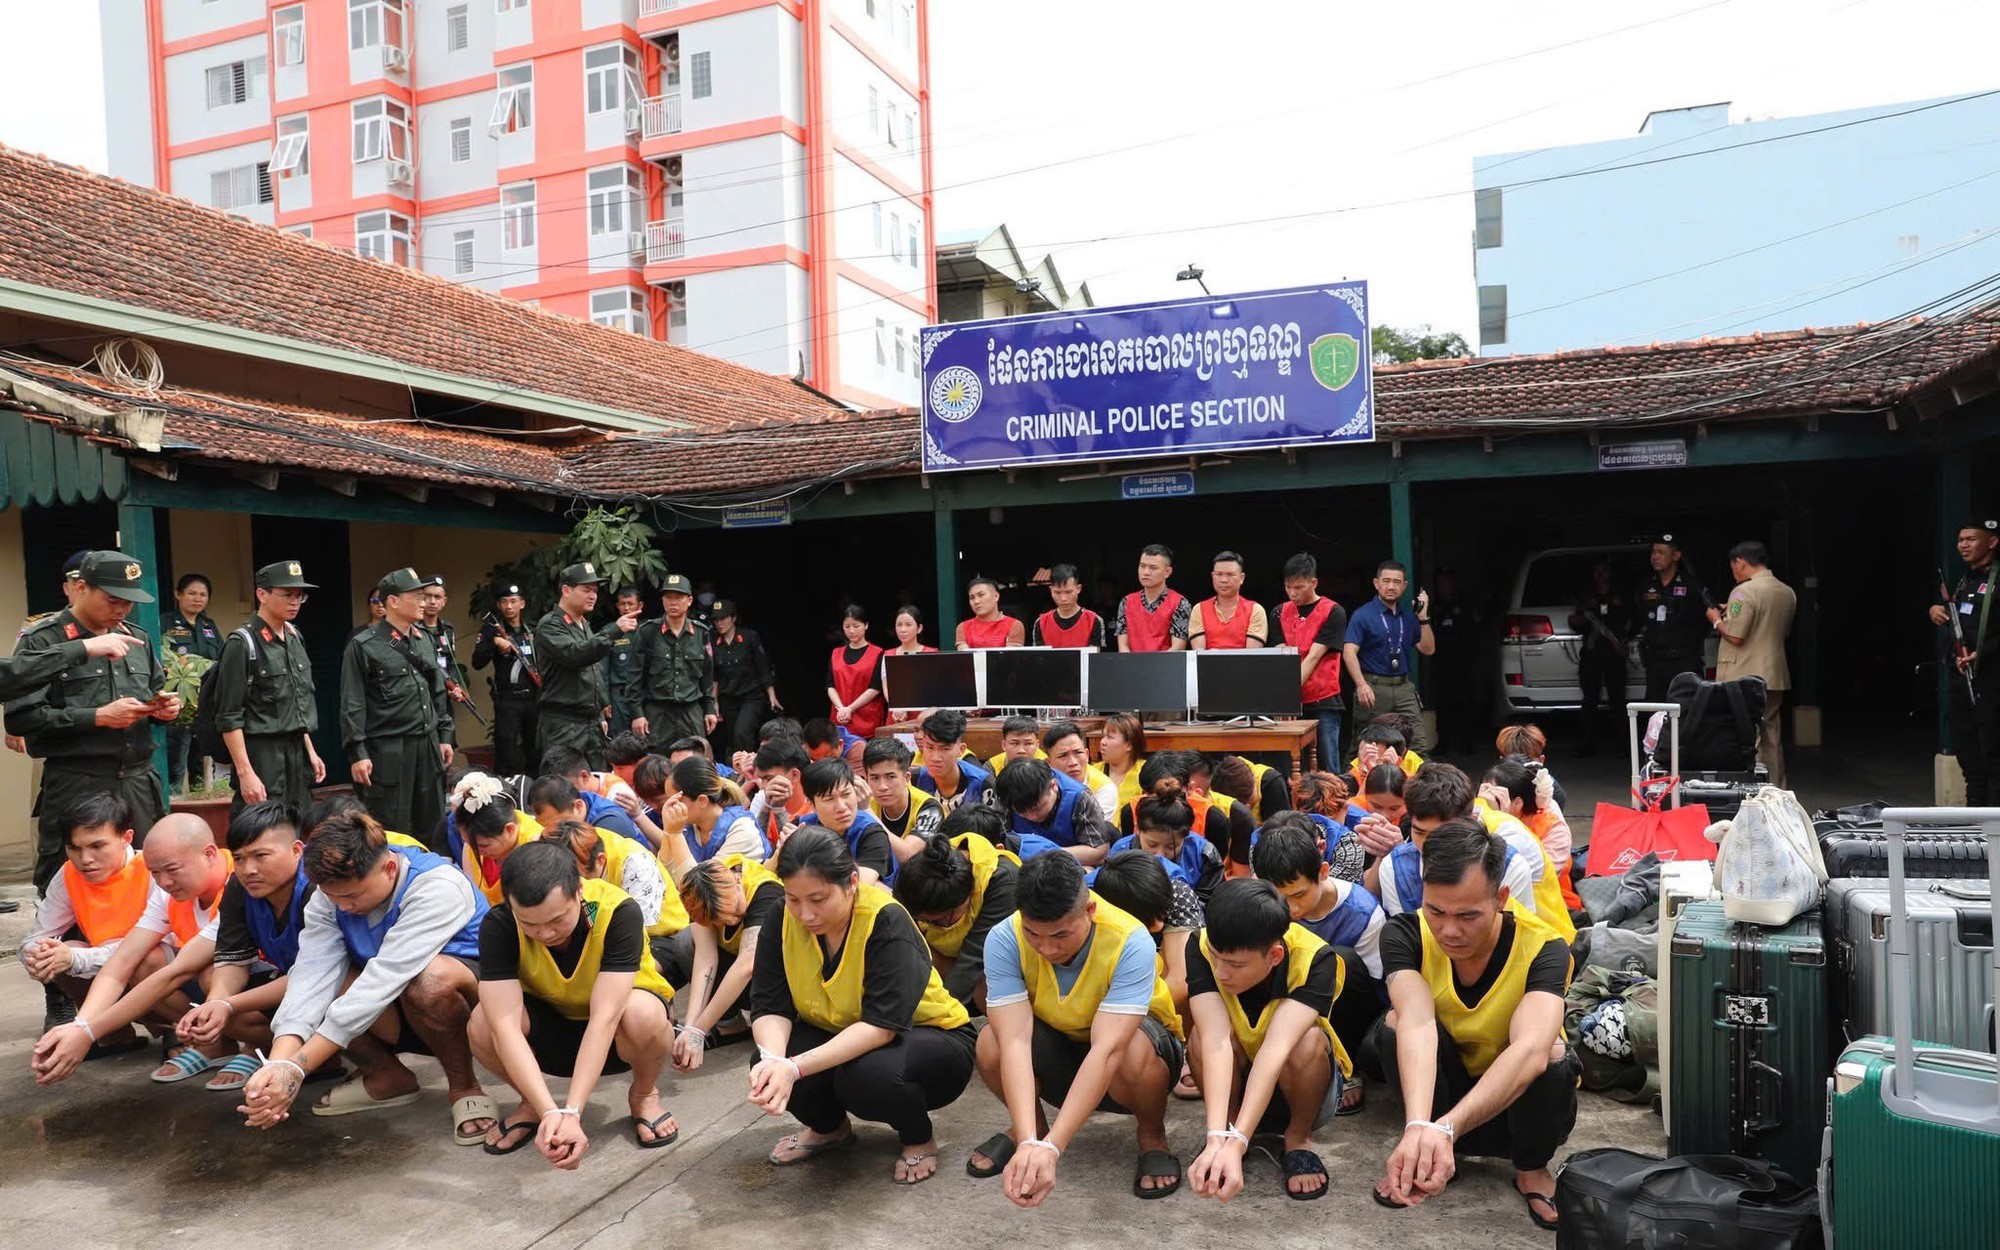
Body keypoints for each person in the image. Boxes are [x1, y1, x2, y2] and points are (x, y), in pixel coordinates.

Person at [236, 809, 499, 1145]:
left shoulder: (438, 886)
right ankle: (387, 1077)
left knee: (430, 981)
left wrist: (298, 1068)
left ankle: (464, 1087)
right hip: (392, 1003)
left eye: (351, 896)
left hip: (469, 1005)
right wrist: (279, 1064)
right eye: (333, 897)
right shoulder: (328, 897)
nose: (342, 907)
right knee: (331, 979)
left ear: (388, 868)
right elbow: (312, 974)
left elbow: (384, 979)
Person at [1370, 821, 1575, 1230]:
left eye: (1467, 915)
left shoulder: (1545, 948)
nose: (1449, 930)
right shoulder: (1404, 933)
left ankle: (1531, 1168)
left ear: (1501, 898)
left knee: (1551, 1052)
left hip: (1517, 1103)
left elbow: (1531, 1049)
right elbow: (1416, 1022)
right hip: (1441, 1094)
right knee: (1393, 1024)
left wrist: (1448, 1127)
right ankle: (1428, 1152)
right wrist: (1418, 1126)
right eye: (1436, 911)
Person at [747, 828, 977, 1184]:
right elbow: (768, 1004)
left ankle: (918, 1136)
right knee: (765, 1060)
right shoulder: (781, 918)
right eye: (794, 899)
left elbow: (881, 1025)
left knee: (869, 1076)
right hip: (841, 1028)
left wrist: (794, 1068)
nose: (805, 914)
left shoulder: (885, 920)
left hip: (929, 1037)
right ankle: (829, 1128)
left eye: (818, 899)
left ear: (852, 881)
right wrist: (777, 1062)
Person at [967, 850, 1186, 1203]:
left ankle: (1151, 1136)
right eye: (1033, 934)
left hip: (1133, 1053)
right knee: (991, 1041)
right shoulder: (1004, 937)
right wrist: (1031, 1145)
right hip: (1061, 1043)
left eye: (1060, 935)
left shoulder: (1131, 940)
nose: (1047, 948)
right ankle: (1031, 1128)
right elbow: (1015, 1042)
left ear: (1089, 911)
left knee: (1129, 1050)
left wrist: (1053, 1150)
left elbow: (1107, 1050)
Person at [469, 841, 679, 1160]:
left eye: (556, 920)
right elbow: (505, 1027)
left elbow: (605, 1017)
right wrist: (552, 1113)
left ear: (578, 890)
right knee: (483, 1022)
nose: (545, 933)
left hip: (617, 1036)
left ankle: (644, 1093)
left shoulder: (618, 912)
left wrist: (573, 1110)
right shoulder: (499, 925)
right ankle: (532, 1103)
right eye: (530, 924)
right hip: (550, 1030)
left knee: (642, 1013)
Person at [6, 551, 179, 895]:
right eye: (113, 600)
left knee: (150, 881)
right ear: (81, 588)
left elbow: (153, 692)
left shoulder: (138, 639)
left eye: (129, 603)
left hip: (138, 782)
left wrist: (163, 710)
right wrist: (97, 717)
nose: (122, 610)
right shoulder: (45, 640)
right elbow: (22, 717)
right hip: (78, 781)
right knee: (70, 886)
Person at [28, 813, 239, 1088]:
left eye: (172, 870)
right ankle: (215, 1044)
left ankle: (261, 1049)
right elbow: (122, 962)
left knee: (216, 973)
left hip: (269, 988)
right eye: (155, 873)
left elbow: (177, 972)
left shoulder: (238, 887)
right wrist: (80, 1026)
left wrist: (88, 1033)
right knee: (143, 961)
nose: (163, 882)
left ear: (209, 854)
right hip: (208, 986)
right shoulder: (167, 893)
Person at [1183, 878, 1354, 1201]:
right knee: (1199, 1036)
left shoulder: (1315, 959)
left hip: (1301, 1085)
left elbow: (1275, 1050)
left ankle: (1298, 1139)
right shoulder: (1200, 944)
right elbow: (1216, 1040)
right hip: (1236, 1079)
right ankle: (1228, 1127)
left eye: (1235, 964)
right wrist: (1219, 1136)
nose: (1221, 972)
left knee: (1307, 1040)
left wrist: (1240, 1141)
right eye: (1216, 957)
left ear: (1275, 955)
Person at [178, 802, 323, 1093]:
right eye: (240, 858)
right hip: (290, 985)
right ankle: (285, 1056)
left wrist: (226, 1004)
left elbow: (316, 976)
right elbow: (232, 961)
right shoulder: (239, 888)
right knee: (212, 982)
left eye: (261, 856)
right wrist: (213, 1007)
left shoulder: (317, 888)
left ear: (297, 850)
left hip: (331, 985)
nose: (248, 869)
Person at [1370, 764, 1571, 943]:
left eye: (1467, 915)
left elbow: (1519, 943)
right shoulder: (1395, 868)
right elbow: (1408, 944)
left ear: (1472, 819)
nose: (1431, 845)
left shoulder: (1509, 864)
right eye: (1419, 832)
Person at [1251, 813, 1386, 1077]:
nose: (1290, 908)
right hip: (1285, 1001)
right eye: (1279, 897)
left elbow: (1373, 992)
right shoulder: (1261, 903)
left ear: (1323, 872)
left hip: (1344, 1012)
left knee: (1340, 960)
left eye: (1299, 895)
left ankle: (1344, 1066)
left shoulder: (1362, 912)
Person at [339, 567, 455, 846]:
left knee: (432, 820)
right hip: (389, 748)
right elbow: (352, 702)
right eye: (416, 596)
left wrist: (444, 736)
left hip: (427, 744)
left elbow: (437, 691)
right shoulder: (364, 645)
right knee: (392, 825)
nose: (424, 602)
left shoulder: (424, 639)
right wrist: (358, 752)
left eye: (425, 596)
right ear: (392, 601)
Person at [213, 561, 324, 818]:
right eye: (287, 595)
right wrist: (245, 773)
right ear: (262, 594)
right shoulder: (243, 643)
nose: (295, 602)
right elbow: (229, 716)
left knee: (298, 828)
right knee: (262, 831)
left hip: (296, 753)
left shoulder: (295, 636)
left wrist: (311, 751)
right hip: (262, 755)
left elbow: (297, 701)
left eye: (299, 596)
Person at [893, 815, 1021, 1010]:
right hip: (948, 960)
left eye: (944, 920)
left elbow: (975, 957)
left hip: (992, 966)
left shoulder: (1001, 880)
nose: (942, 926)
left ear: (969, 894)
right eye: (930, 922)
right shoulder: (924, 870)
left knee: (983, 986)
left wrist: (939, 1012)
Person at [672, 849, 785, 1051]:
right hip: (742, 971)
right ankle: (730, 1025)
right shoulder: (701, 893)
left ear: (738, 881)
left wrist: (701, 1028)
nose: (732, 920)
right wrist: (691, 1027)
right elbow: (705, 960)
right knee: (686, 943)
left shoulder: (765, 891)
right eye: (720, 920)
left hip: (777, 978)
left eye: (734, 910)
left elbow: (747, 965)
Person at [535, 562, 640, 771]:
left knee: (597, 781)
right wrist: (614, 630)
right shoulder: (550, 624)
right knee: (563, 787)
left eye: (595, 590)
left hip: (591, 722)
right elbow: (576, 654)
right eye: (586, 590)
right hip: (563, 723)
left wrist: (600, 714)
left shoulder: (584, 624)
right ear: (566, 590)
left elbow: (595, 671)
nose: (593, 595)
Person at [1715, 540, 1798, 787]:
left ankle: (1747, 791)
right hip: (1774, 674)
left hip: (1745, 675)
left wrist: (1716, 620)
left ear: (1740, 562)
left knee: (1745, 738)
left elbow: (1736, 635)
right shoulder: (1786, 591)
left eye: (1733, 566)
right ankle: (1776, 789)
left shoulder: (1743, 592)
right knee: (1771, 736)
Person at [1936, 518, 2000, 802]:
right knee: (1968, 750)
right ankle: (1973, 818)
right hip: (1961, 677)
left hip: (1990, 679)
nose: (1963, 545)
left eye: (1971, 539)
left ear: (1992, 542)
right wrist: (1936, 611)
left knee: (1992, 750)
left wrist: (1984, 653)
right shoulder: (1965, 580)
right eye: (1961, 540)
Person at [1344, 560, 1435, 754]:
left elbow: (1428, 649)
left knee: (1417, 745)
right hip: (1373, 687)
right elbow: (1349, 651)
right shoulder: (1363, 615)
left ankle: (1419, 784)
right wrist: (1361, 684)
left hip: (1404, 688)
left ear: (1404, 586)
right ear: (1376, 583)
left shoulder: (1409, 617)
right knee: (1364, 745)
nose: (1391, 586)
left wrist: (1423, 617)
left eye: (1396, 582)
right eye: (1386, 581)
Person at [1278, 553, 1351, 772]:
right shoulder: (1278, 612)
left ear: (1314, 583)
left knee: (1328, 764)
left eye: (1299, 587)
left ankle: (1334, 804)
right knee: (1292, 767)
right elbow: (1280, 656)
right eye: (1288, 587)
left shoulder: (1334, 612)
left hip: (1323, 698)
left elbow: (1314, 656)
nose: (1293, 593)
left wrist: (1287, 695)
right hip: (1289, 703)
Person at [631, 574, 718, 753]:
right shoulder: (647, 632)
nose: (673, 602)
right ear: (662, 601)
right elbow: (634, 677)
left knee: (694, 762)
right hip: (657, 712)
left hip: (691, 711)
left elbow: (707, 677)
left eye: (678, 597)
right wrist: (637, 713)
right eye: (668, 597)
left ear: (689, 600)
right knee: (655, 766)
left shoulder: (701, 633)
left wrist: (709, 708)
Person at [1481, 757, 1578, 915]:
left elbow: (1527, 877)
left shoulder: (1553, 829)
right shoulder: (1482, 818)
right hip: (1495, 900)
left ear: (1518, 802)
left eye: (1496, 797)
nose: (1488, 802)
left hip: (1547, 907)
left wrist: (1500, 820)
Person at [1109, 779, 1225, 900]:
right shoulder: (1121, 851)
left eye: (1171, 846)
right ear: (1138, 830)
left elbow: (1212, 900)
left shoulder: (1203, 854)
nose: (1160, 854)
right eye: (1152, 844)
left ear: (1186, 836)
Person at [162, 572, 223, 789]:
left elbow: (220, 661)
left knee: (203, 760)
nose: (197, 599)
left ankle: (201, 800)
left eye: (203, 595)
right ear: (178, 594)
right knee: (175, 763)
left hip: (205, 704)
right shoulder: (165, 623)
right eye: (191, 593)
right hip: (179, 705)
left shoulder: (209, 625)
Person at [472, 582, 540, 777]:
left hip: (534, 697)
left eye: (513, 601)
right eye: (504, 602)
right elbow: (477, 662)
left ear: (522, 604)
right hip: (508, 700)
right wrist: (493, 643)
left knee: (535, 750)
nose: (509, 606)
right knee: (506, 751)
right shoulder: (491, 630)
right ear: (499, 605)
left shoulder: (532, 629)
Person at [993, 758, 1114, 867]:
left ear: (1054, 786)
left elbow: (1100, 852)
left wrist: (1042, 853)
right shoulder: (1006, 797)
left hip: (1072, 867)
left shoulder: (1080, 797)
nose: (1031, 817)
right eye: (1021, 813)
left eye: (1037, 809)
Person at [1635, 534, 1714, 701]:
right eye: (1653, 552)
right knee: (1656, 711)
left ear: (1676, 556)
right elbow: (1639, 617)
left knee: (1687, 709)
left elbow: (1707, 616)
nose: (1655, 557)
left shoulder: (1691, 584)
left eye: (1661, 552)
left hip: (1685, 659)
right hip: (1656, 661)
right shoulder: (1646, 585)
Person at [797, 758, 898, 885]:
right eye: (829, 799)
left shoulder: (872, 833)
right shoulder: (802, 826)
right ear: (812, 805)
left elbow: (859, 886)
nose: (842, 807)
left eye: (846, 794)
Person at [1568, 559, 1629, 756]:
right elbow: (1576, 621)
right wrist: (1584, 615)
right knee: (1589, 701)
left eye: (1604, 571)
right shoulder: (1587, 596)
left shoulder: (1621, 594)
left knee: (1618, 701)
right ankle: (1586, 745)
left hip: (1614, 653)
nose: (1601, 575)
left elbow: (1633, 619)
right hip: (1592, 653)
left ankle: (1623, 746)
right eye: (1597, 571)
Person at [660, 754, 764, 863]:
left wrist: (675, 835)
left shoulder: (742, 830)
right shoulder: (688, 826)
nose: (669, 806)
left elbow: (699, 879)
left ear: (702, 801)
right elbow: (663, 872)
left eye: (676, 800)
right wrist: (668, 832)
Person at [711, 600, 779, 759]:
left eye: (723, 618)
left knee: (742, 732)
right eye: (716, 619)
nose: (719, 623)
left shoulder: (749, 637)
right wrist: (714, 703)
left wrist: (772, 696)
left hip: (751, 696)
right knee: (732, 737)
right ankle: (737, 773)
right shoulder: (713, 642)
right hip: (728, 698)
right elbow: (714, 675)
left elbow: (763, 667)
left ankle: (749, 768)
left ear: (733, 618)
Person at [540, 745, 645, 842]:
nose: (562, 795)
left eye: (566, 788)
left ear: (584, 776)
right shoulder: (591, 779)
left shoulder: (618, 796)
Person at [861, 737, 940, 859]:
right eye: (875, 778)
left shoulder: (930, 808)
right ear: (866, 779)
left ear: (906, 778)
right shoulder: (866, 803)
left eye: (891, 777)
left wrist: (867, 812)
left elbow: (908, 855)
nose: (882, 787)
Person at [910, 709, 993, 814]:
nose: (935, 758)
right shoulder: (914, 780)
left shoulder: (983, 783)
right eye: (930, 747)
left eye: (944, 749)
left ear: (961, 750)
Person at [825, 604, 888, 741]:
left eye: (856, 626)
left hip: (867, 722)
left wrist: (850, 709)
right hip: (840, 720)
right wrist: (841, 708)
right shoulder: (836, 653)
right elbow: (830, 685)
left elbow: (875, 687)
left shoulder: (878, 653)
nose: (851, 631)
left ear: (866, 625)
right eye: (847, 627)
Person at [1116, 544, 1190, 653]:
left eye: (1153, 567)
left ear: (1167, 572)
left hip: (1166, 666)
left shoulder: (1180, 603)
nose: (1146, 572)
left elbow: (1178, 648)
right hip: (1131, 666)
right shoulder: (1126, 602)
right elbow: (1123, 646)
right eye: (1142, 566)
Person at [1189, 551, 1268, 651]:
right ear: (1213, 576)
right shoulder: (1199, 609)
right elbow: (1199, 653)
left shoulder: (1255, 610)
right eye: (1219, 574)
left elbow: (1251, 656)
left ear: (1242, 578)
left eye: (1230, 574)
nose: (1224, 580)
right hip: (1208, 664)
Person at [1044, 721, 1118, 818]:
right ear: (1049, 763)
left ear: (1087, 755)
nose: (1073, 762)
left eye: (1078, 753)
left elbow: (1094, 829)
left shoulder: (1104, 788)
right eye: (1063, 755)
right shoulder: (1042, 784)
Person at [603, 586, 646, 746]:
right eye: (622, 604)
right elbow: (602, 669)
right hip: (618, 698)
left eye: (630, 603)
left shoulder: (648, 631)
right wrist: (604, 700)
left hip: (643, 697)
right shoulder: (610, 631)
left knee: (644, 743)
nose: (626, 608)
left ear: (640, 605)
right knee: (619, 744)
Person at [1032, 564, 1106, 649]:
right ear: (1051, 590)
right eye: (1057, 592)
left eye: (1068, 592)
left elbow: (1092, 658)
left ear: (1078, 589)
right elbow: (1039, 658)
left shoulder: (1093, 620)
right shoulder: (1041, 623)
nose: (1063, 598)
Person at [1210, 754, 1291, 824]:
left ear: (1254, 779)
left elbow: (1283, 829)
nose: (1246, 807)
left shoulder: (1271, 783)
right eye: (1239, 803)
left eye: (1247, 798)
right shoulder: (1213, 789)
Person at [956, 577, 1025, 650]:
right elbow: (966, 657)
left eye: (981, 595)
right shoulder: (963, 627)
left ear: (996, 596)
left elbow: (1010, 658)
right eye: (972, 598)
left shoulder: (1014, 625)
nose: (976, 601)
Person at [1098, 712, 1148, 813]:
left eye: (1110, 737)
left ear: (1129, 745)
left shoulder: (1146, 772)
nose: (1103, 742)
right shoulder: (1093, 772)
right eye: (1103, 736)